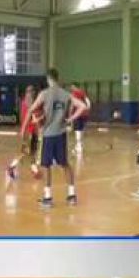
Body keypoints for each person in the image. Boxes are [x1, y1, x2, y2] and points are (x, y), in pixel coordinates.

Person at [21, 69, 88, 208]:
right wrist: (70, 119)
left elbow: (30, 110)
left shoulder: (44, 94)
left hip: (48, 134)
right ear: (57, 78)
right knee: (65, 164)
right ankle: (71, 195)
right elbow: (82, 106)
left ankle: (48, 197)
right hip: (61, 133)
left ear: (48, 79)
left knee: (46, 165)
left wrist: (23, 129)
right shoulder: (66, 94)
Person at [14, 85, 42, 179]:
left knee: (31, 152)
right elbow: (29, 117)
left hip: (32, 130)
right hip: (29, 131)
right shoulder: (28, 103)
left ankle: (34, 170)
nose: (31, 93)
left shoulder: (26, 103)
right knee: (26, 153)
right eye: (30, 91)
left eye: (32, 91)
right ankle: (12, 167)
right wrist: (24, 129)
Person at [69, 83, 91, 154]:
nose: (71, 88)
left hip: (78, 114)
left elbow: (72, 105)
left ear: (74, 86)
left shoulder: (74, 93)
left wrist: (70, 113)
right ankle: (79, 145)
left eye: (72, 87)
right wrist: (88, 108)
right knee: (81, 129)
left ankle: (78, 147)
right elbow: (87, 100)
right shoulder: (82, 92)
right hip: (84, 114)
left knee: (77, 130)